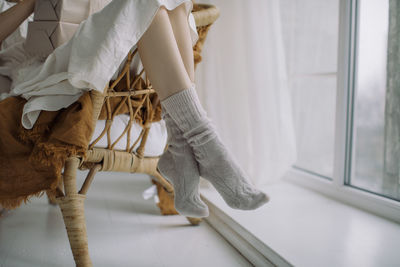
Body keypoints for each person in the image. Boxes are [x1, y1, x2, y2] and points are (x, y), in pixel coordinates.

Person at [0, 0, 269, 218]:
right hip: (39, 67)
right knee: (148, 3)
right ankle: (198, 144)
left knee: (174, 2)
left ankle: (182, 148)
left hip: (103, 56)